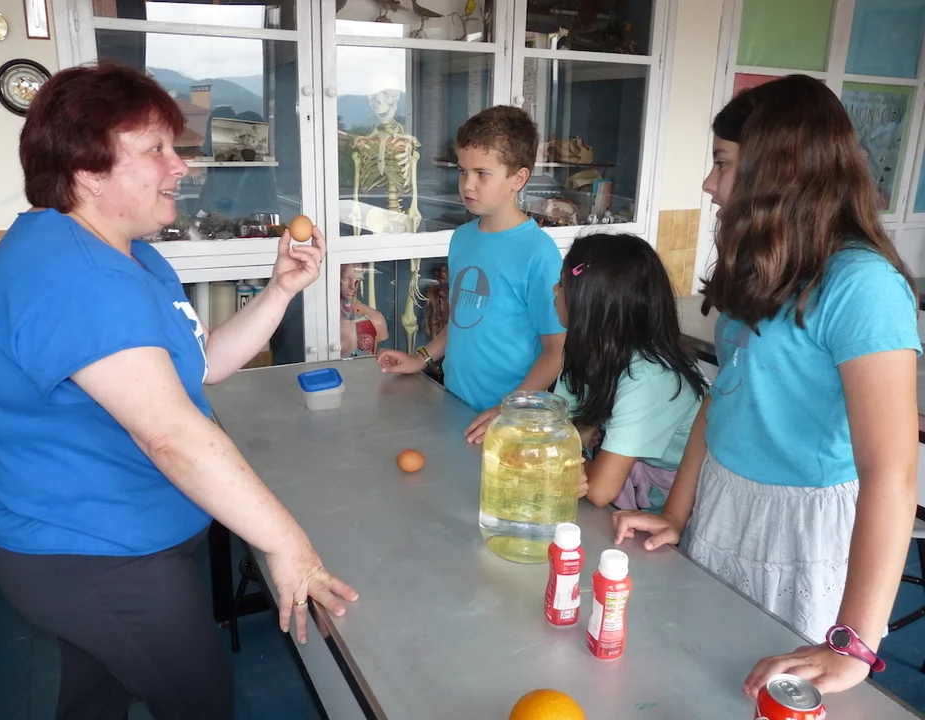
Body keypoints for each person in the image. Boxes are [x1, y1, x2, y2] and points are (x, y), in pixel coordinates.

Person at [0, 63, 357, 720]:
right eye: (155, 149)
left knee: (96, 694)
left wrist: (280, 290)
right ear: (87, 170)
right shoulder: (75, 274)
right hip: (93, 554)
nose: (181, 165)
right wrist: (287, 543)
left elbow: (197, 366)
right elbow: (170, 434)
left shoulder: (126, 253)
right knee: (199, 700)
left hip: (116, 538)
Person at [613, 75, 920, 696]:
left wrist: (854, 642)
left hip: (800, 523)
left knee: (768, 691)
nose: (709, 184)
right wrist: (677, 512)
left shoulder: (861, 285)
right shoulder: (769, 265)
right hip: (725, 497)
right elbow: (722, 399)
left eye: (723, 164)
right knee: (702, 669)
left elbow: (891, 472)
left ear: (776, 172)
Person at [375, 106, 565, 443]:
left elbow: (555, 351)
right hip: (455, 403)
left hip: (509, 423)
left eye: (482, 173)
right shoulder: (462, 238)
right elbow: (464, 317)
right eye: (463, 171)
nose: (467, 184)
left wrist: (510, 411)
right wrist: (421, 358)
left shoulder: (538, 253)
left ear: (518, 179)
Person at [552, 233, 707, 512]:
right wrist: (578, 437)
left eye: (562, 284)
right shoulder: (583, 349)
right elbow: (557, 429)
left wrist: (578, 443)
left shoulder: (649, 377)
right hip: (622, 476)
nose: (554, 290)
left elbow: (598, 489)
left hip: (675, 501)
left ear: (591, 305)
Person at [340, 262, 389, 357]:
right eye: (346, 279)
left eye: (358, 280)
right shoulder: (323, 319)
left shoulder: (376, 318)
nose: (353, 286)